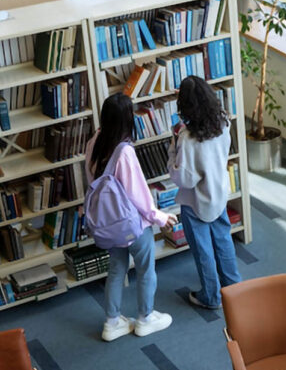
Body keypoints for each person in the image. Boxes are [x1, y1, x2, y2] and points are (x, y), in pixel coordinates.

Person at [85, 93, 177, 341]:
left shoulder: (94, 141)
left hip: (107, 225)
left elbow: (92, 180)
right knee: (146, 268)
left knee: (116, 269)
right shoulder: (124, 152)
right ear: (127, 119)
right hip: (131, 225)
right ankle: (145, 318)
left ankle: (112, 322)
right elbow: (138, 194)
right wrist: (159, 217)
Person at [168, 75, 241, 309]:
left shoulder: (187, 139)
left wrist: (172, 149)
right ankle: (235, 289)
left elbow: (184, 178)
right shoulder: (223, 123)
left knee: (203, 250)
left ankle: (211, 296)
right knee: (223, 240)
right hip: (218, 193)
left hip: (195, 202)